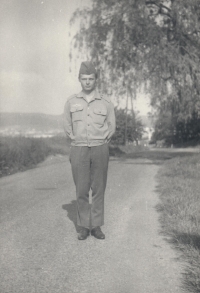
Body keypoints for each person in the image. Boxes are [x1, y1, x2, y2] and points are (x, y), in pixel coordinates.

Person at [63, 61, 116, 240]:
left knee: (99, 188)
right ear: (79, 79)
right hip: (78, 149)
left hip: (100, 147)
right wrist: (76, 139)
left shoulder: (106, 102)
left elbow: (111, 126)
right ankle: (84, 226)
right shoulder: (71, 102)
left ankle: (97, 226)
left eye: (90, 78)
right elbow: (67, 125)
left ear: (96, 80)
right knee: (82, 189)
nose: (87, 82)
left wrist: (101, 140)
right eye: (84, 79)